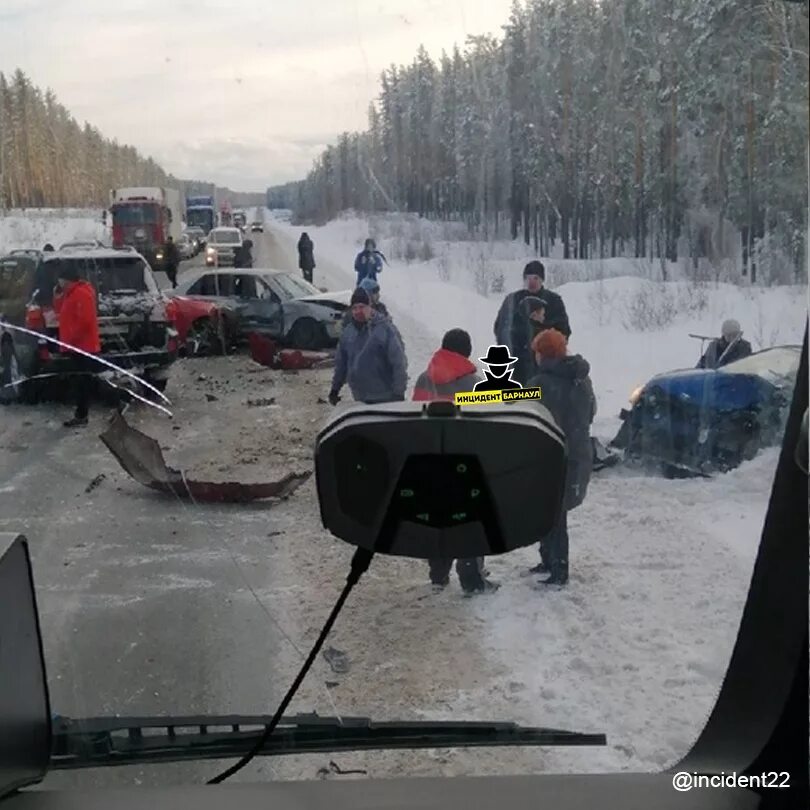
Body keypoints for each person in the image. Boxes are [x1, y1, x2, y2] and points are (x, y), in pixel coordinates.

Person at [412, 329, 500, 596]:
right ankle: (471, 576)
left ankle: (438, 574)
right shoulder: (475, 383)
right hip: (465, 461)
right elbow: (487, 426)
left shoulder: (424, 378)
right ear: (466, 352)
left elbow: (417, 418)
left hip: (432, 458)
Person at [527, 328, 595, 586]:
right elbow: (591, 412)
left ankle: (558, 570)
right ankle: (550, 562)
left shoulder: (541, 384)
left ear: (542, 355)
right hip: (577, 453)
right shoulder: (581, 379)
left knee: (553, 515)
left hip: (552, 456)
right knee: (555, 511)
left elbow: (513, 401)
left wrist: (470, 397)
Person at [493, 260, 571, 384]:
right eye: (528, 278)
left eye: (536, 278)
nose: (531, 282)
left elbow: (564, 332)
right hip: (516, 364)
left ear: (542, 280)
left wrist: (544, 323)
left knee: (538, 400)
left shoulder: (553, 301)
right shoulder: (512, 300)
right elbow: (500, 327)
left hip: (545, 366)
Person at [329, 287, 407, 405]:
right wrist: (335, 389)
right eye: (354, 308)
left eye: (361, 307)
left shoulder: (384, 329)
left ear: (369, 307)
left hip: (387, 398)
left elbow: (399, 362)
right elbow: (341, 364)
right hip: (360, 398)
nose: (358, 311)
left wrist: (399, 392)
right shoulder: (348, 333)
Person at [52, 264, 101, 428]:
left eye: (61, 278)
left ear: (67, 279)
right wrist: (58, 297)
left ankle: (82, 415)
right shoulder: (70, 294)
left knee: (83, 381)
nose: (59, 281)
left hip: (83, 346)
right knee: (80, 380)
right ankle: (81, 413)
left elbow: (85, 321)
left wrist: (72, 338)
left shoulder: (81, 294)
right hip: (75, 346)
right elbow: (61, 311)